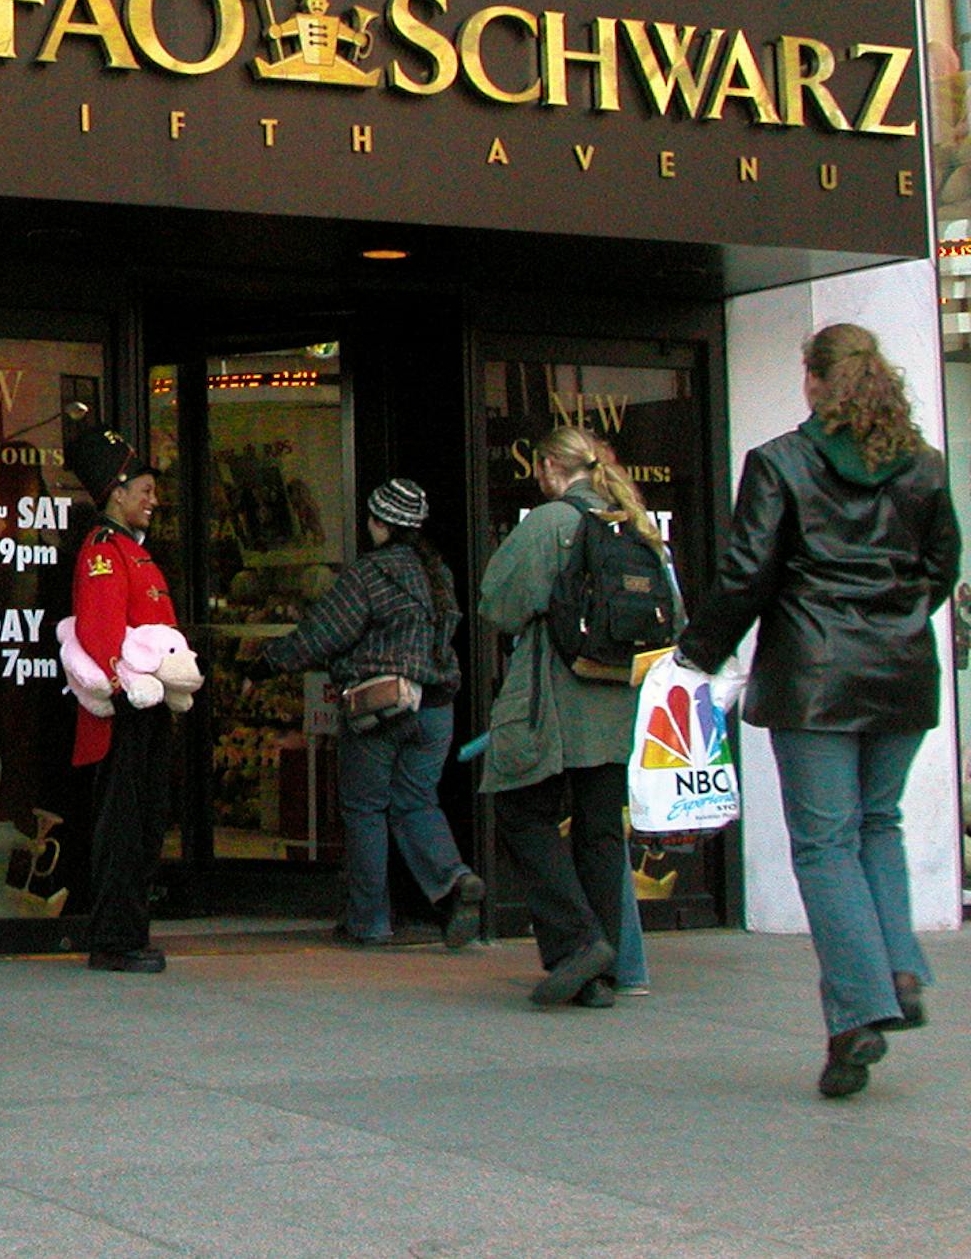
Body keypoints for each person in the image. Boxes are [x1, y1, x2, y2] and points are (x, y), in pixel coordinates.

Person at [677, 324, 960, 1099]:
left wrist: (697, 652)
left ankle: (865, 1005)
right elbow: (943, 566)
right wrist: (897, 620)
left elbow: (747, 574)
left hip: (814, 679)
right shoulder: (924, 466)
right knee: (878, 824)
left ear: (812, 379)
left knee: (826, 845)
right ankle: (895, 970)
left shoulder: (780, 462)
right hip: (901, 674)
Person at [480, 425, 676, 1008]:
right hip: (618, 699)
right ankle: (600, 975)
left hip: (553, 698)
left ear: (548, 468)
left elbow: (499, 604)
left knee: (522, 813)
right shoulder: (633, 523)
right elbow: (672, 613)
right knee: (600, 834)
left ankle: (577, 943)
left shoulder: (551, 524)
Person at [261, 478, 484, 947]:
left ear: (380, 523)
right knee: (417, 801)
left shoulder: (369, 574)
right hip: (436, 708)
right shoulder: (438, 574)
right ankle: (453, 877)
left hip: (382, 708)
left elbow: (324, 633)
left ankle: (369, 921)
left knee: (365, 809)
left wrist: (271, 661)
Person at [66, 427, 179, 973]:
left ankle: (131, 931)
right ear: (117, 492)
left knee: (146, 823)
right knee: (124, 828)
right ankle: (114, 938)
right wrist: (127, 686)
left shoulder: (131, 551)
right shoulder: (104, 553)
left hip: (149, 707)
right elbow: (101, 634)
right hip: (126, 711)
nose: (153, 500)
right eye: (145, 490)